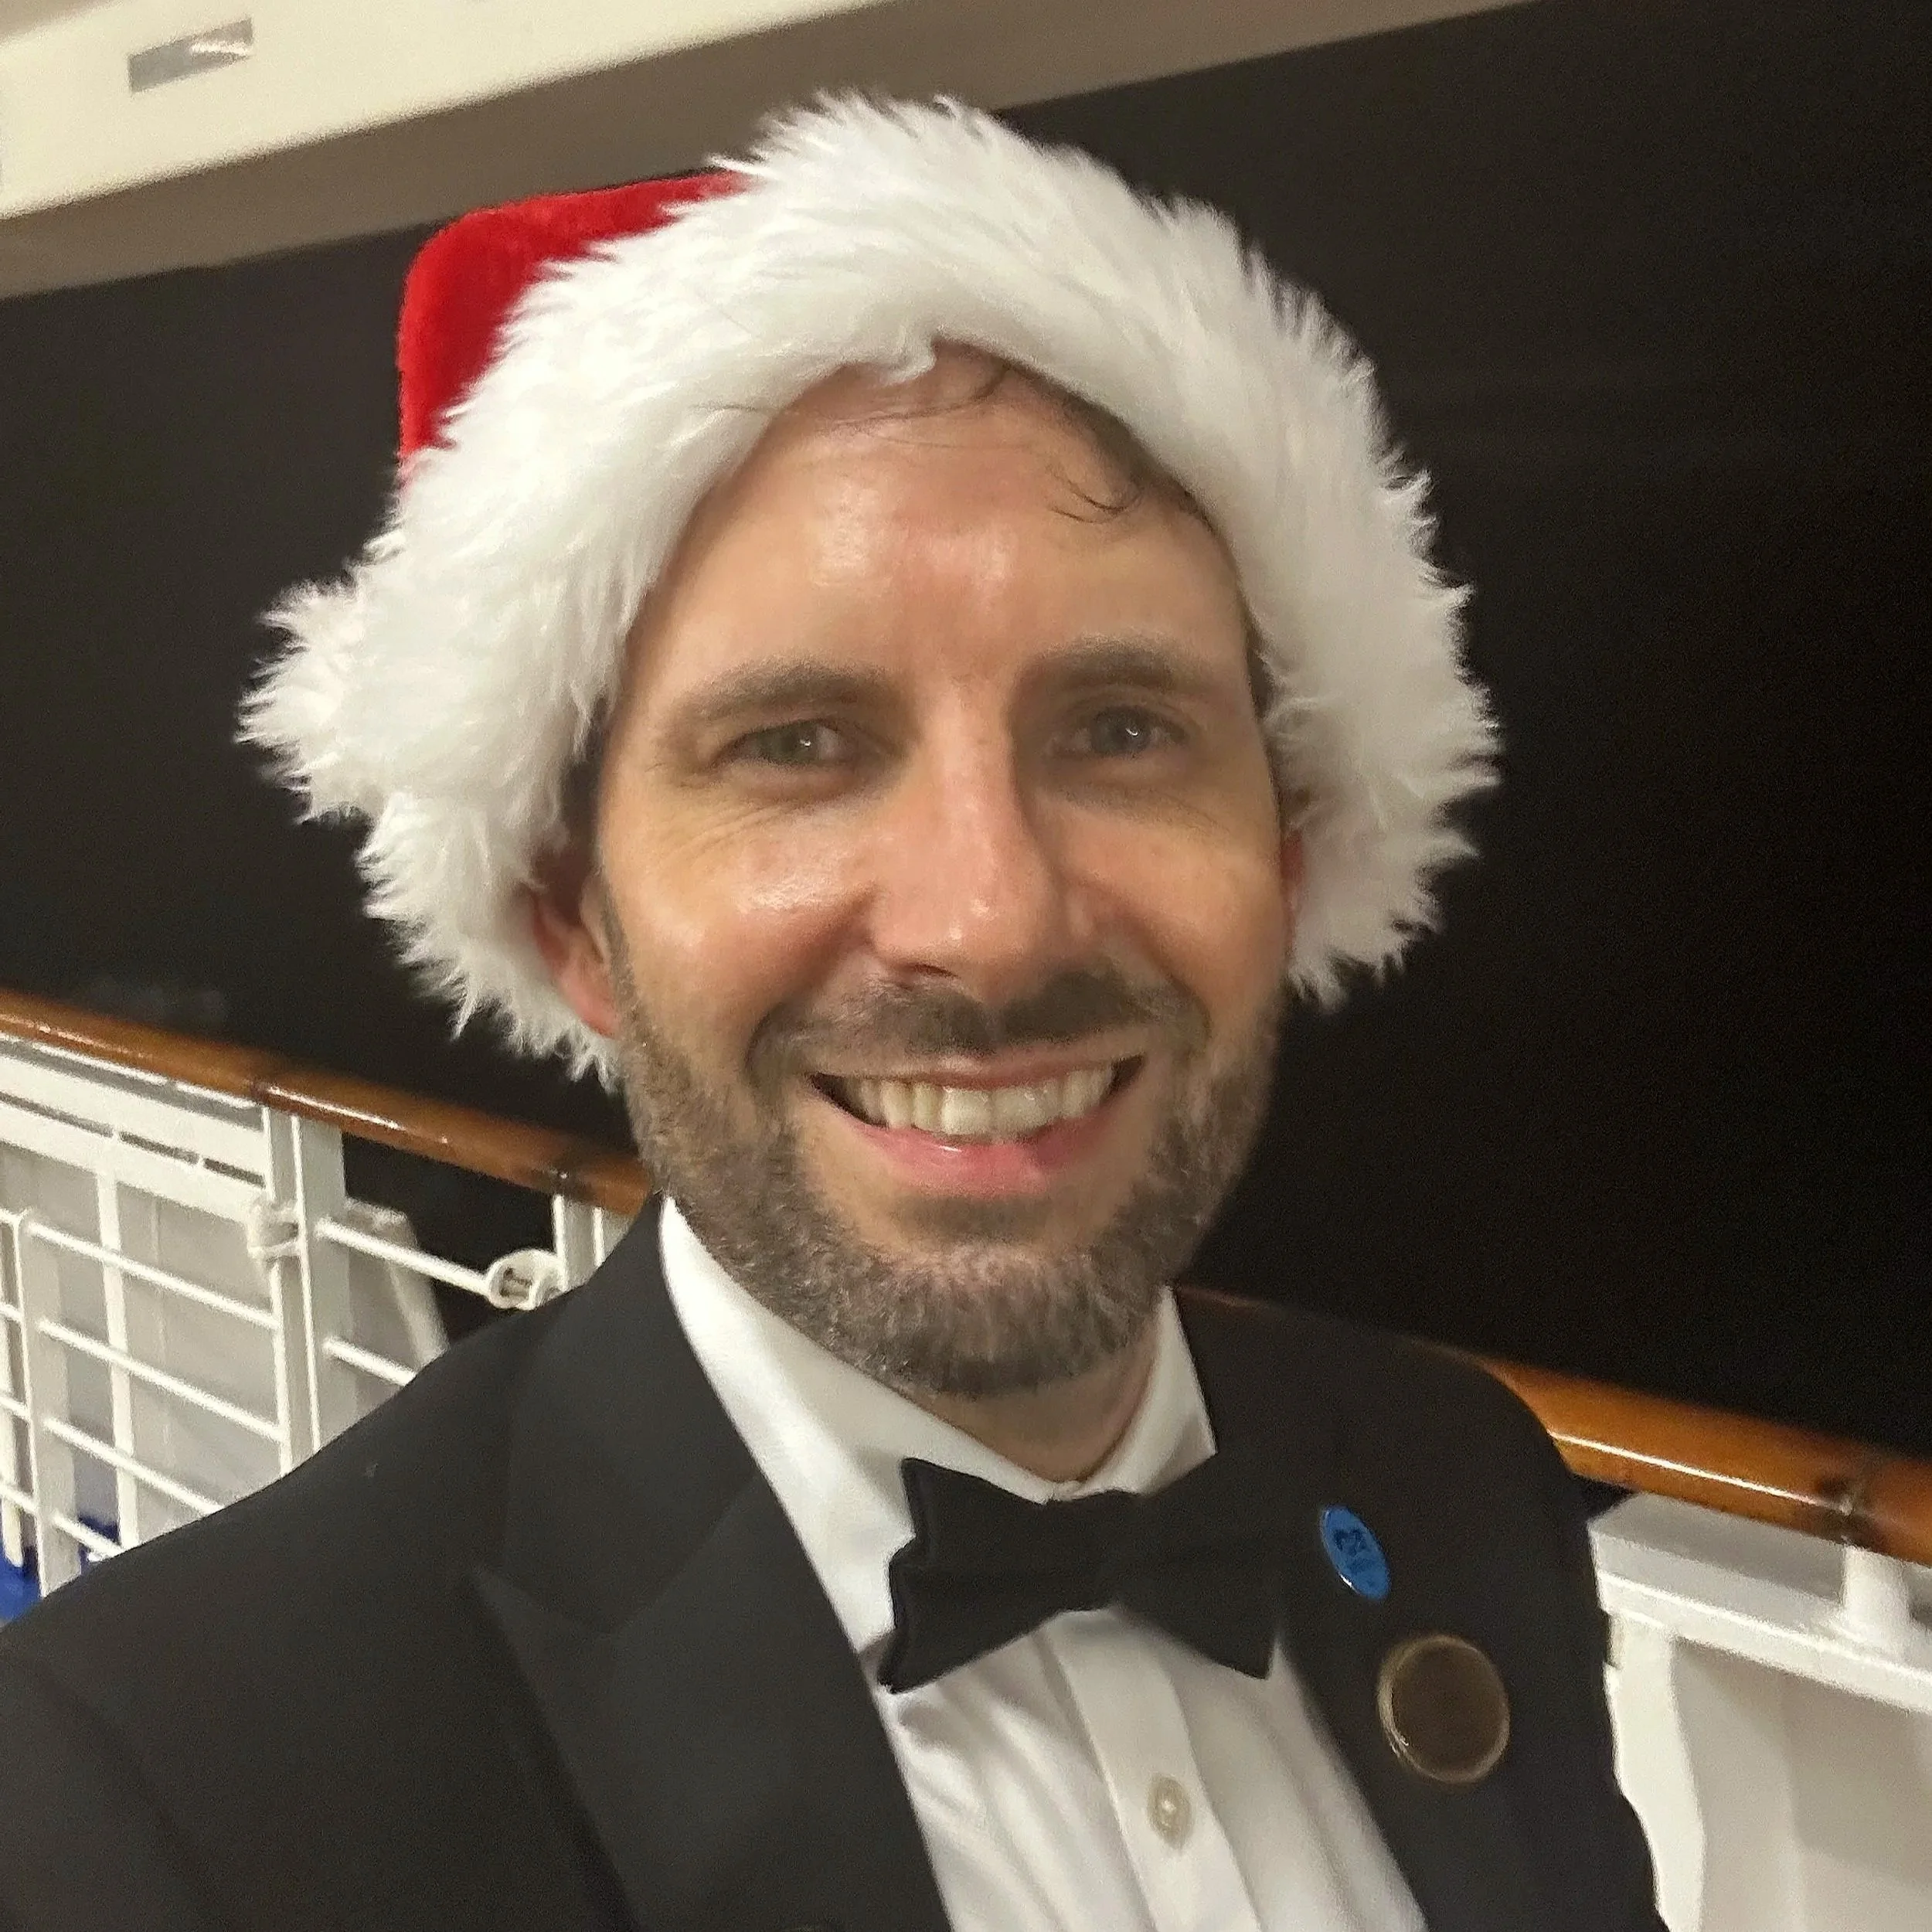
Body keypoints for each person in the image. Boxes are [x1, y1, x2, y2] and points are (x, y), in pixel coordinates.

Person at [0, 97, 1662, 1932]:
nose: (989, 914)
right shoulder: (167, 1797)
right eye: (797, 745)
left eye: (1120, 727)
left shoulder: (1456, 1486)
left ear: (1288, 845)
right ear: (573, 917)